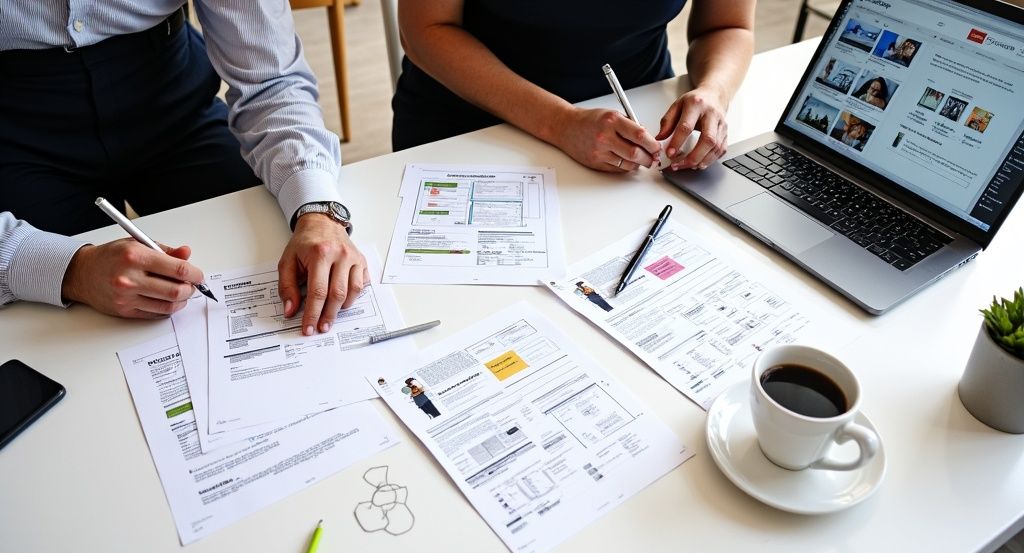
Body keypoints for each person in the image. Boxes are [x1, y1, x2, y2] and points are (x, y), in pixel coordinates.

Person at [0, 2, 366, 338]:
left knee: (265, 241)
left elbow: (271, 80)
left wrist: (318, 210)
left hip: (175, 101)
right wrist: (72, 272)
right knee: (57, 332)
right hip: (14, 132)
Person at [392, 1, 756, 173]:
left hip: (640, 126)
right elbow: (425, 31)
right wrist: (561, 122)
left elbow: (728, 27)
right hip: (470, 124)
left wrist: (714, 90)